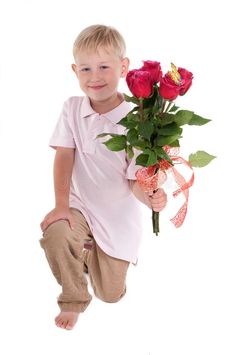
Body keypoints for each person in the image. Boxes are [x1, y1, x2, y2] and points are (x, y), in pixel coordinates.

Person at [39, 24, 167, 330]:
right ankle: (73, 296)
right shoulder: (72, 109)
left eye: (104, 67)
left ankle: (91, 257)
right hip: (79, 208)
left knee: (110, 295)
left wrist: (151, 198)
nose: (94, 76)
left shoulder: (136, 121)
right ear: (75, 70)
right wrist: (60, 206)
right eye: (85, 68)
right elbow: (64, 156)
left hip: (115, 220)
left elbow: (135, 178)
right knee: (56, 232)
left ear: (123, 67)